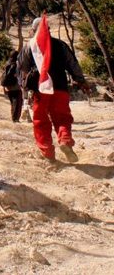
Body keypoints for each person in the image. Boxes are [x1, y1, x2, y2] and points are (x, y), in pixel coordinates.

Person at [18, 14, 91, 163]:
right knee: (62, 117)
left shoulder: (28, 47)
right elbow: (73, 65)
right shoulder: (60, 45)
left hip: (40, 90)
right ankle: (64, 140)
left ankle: (48, 155)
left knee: (41, 121)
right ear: (48, 30)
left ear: (33, 30)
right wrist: (81, 81)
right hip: (60, 88)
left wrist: (24, 90)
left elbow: (22, 70)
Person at [1, 50, 23, 122]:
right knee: (17, 104)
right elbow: (18, 75)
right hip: (15, 86)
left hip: (8, 86)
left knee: (13, 103)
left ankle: (14, 118)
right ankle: (15, 119)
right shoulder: (16, 64)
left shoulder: (7, 63)